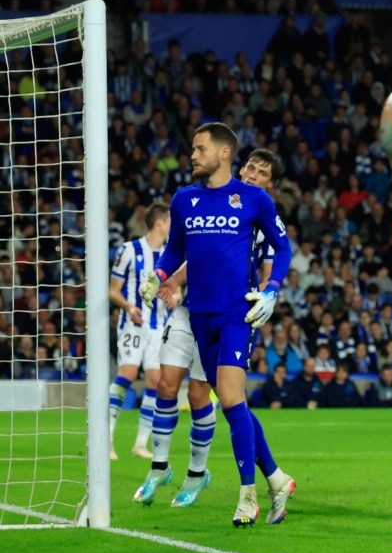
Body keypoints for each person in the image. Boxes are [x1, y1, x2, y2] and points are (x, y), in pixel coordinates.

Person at [140, 123, 293, 527]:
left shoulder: (255, 201)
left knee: (228, 397)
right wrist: (159, 274)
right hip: (198, 314)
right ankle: (276, 478)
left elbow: (283, 246)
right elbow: (176, 249)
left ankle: (247, 497)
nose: (192, 155)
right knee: (232, 403)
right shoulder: (184, 200)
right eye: (192, 148)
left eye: (200, 148)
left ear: (223, 152)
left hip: (237, 313)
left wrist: (272, 289)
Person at [108, 202, 170, 460]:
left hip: (159, 328)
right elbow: (113, 290)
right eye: (170, 222)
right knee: (128, 375)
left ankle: (140, 444)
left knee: (155, 381)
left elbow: (174, 289)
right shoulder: (129, 250)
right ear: (159, 222)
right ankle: (106, 440)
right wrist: (128, 306)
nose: (172, 227)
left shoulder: (170, 254)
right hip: (134, 324)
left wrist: (174, 296)